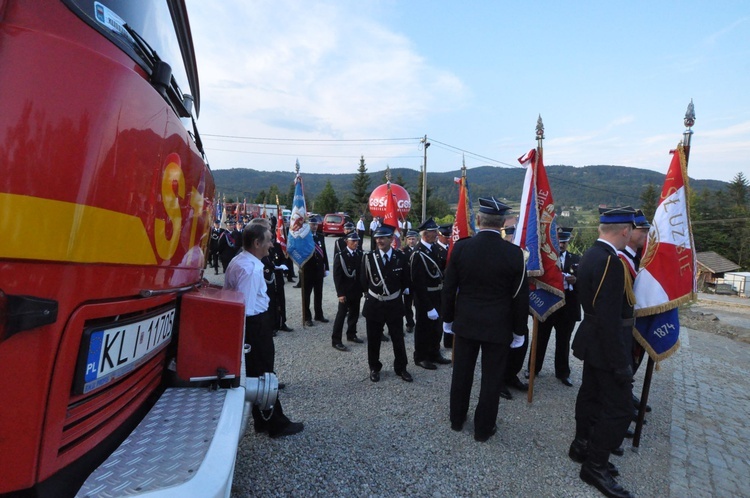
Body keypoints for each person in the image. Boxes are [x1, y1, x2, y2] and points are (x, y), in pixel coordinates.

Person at [442, 197, 529, 442]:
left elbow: (449, 288)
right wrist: (519, 330)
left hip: (467, 322)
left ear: (478, 220)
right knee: (491, 380)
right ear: (502, 224)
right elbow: (519, 297)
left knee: (462, 374)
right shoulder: (514, 254)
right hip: (498, 326)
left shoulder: (461, 248)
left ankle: (456, 420)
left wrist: (448, 320)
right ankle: (483, 429)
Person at [568, 206, 637, 498]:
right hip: (606, 342)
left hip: (593, 340)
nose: (633, 234)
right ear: (625, 230)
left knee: (591, 395)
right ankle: (595, 465)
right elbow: (609, 317)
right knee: (621, 408)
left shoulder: (592, 254)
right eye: (632, 230)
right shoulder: (611, 261)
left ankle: (581, 445)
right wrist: (622, 363)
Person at [223, 223, 303, 438]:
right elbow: (246, 308)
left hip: (254, 323)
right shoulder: (251, 268)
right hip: (254, 325)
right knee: (264, 373)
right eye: (268, 240)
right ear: (257, 243)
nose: (271, 245)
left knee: (258, 373)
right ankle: (275, 424)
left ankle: (262, 420)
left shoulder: (241, 261)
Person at [360, 224, 413, 383]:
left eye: (383, 237)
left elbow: (405, 281)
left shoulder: (401, 257)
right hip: (375, 303)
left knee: (398, 338)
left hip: (393, 304)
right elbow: (363, 280)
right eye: (377, 237)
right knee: (374, 338)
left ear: (391, 239)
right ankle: (374, 367)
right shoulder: (368, 258)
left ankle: (401, 367)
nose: (380, 240)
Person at [529, 228, 580, 387]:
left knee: (563, 341)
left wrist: (576, 280)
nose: (562, 244)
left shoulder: (577, 259)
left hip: (567, 308)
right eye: (559, 241)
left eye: (565, 241)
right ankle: (533, 369)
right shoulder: (545, 260)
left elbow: (585, 281)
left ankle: (563, 372)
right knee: (540, 339)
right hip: (547, 306)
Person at [410, 218, 451, 370]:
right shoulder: (418, 254)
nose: (436, 234)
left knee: (436, 327)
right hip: (425, 297)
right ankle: (420, 356)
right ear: (426, 234)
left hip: (437, 295)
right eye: (434, 232)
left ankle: (434, 352)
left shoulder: (434, 248)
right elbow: (418, 284)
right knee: (423, 328)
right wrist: (428, 307)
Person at [332, 231, 364, 350]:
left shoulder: (359, 254)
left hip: (356, 290)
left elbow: (362, 274)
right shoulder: (341, 256)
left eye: (357, 241)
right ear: (347, 242)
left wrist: (364, 289)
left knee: (354, 314)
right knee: (341, 316)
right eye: (353, 241)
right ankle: (336, 340)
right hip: (345, 291)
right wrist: (340, 293)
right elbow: (337, 276)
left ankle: (351, 334)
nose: (356, 243)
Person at [302, 215, 329, 326]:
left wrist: (326, 267)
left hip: (318, 270)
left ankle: (319, 314)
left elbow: (324, 253)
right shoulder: (304, 238)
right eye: (312, 224)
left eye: (316, 224)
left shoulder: (320, 236)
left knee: (319, 294)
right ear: (308, 225)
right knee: (306, 295)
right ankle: (307, 317)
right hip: (307, 270)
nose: (314, 226)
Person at [402, 229, 420, 333]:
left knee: (418, 304)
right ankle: (410, 323)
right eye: (409, 239)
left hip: (418, 283)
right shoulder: (404, 251)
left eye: (413, 239)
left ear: (417, 239)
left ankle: (419, 321)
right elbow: (403, 270)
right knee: (407, 305)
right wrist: (405, 285)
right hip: (408, 283)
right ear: (406, 240)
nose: (411, 241)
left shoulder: (419, 249)